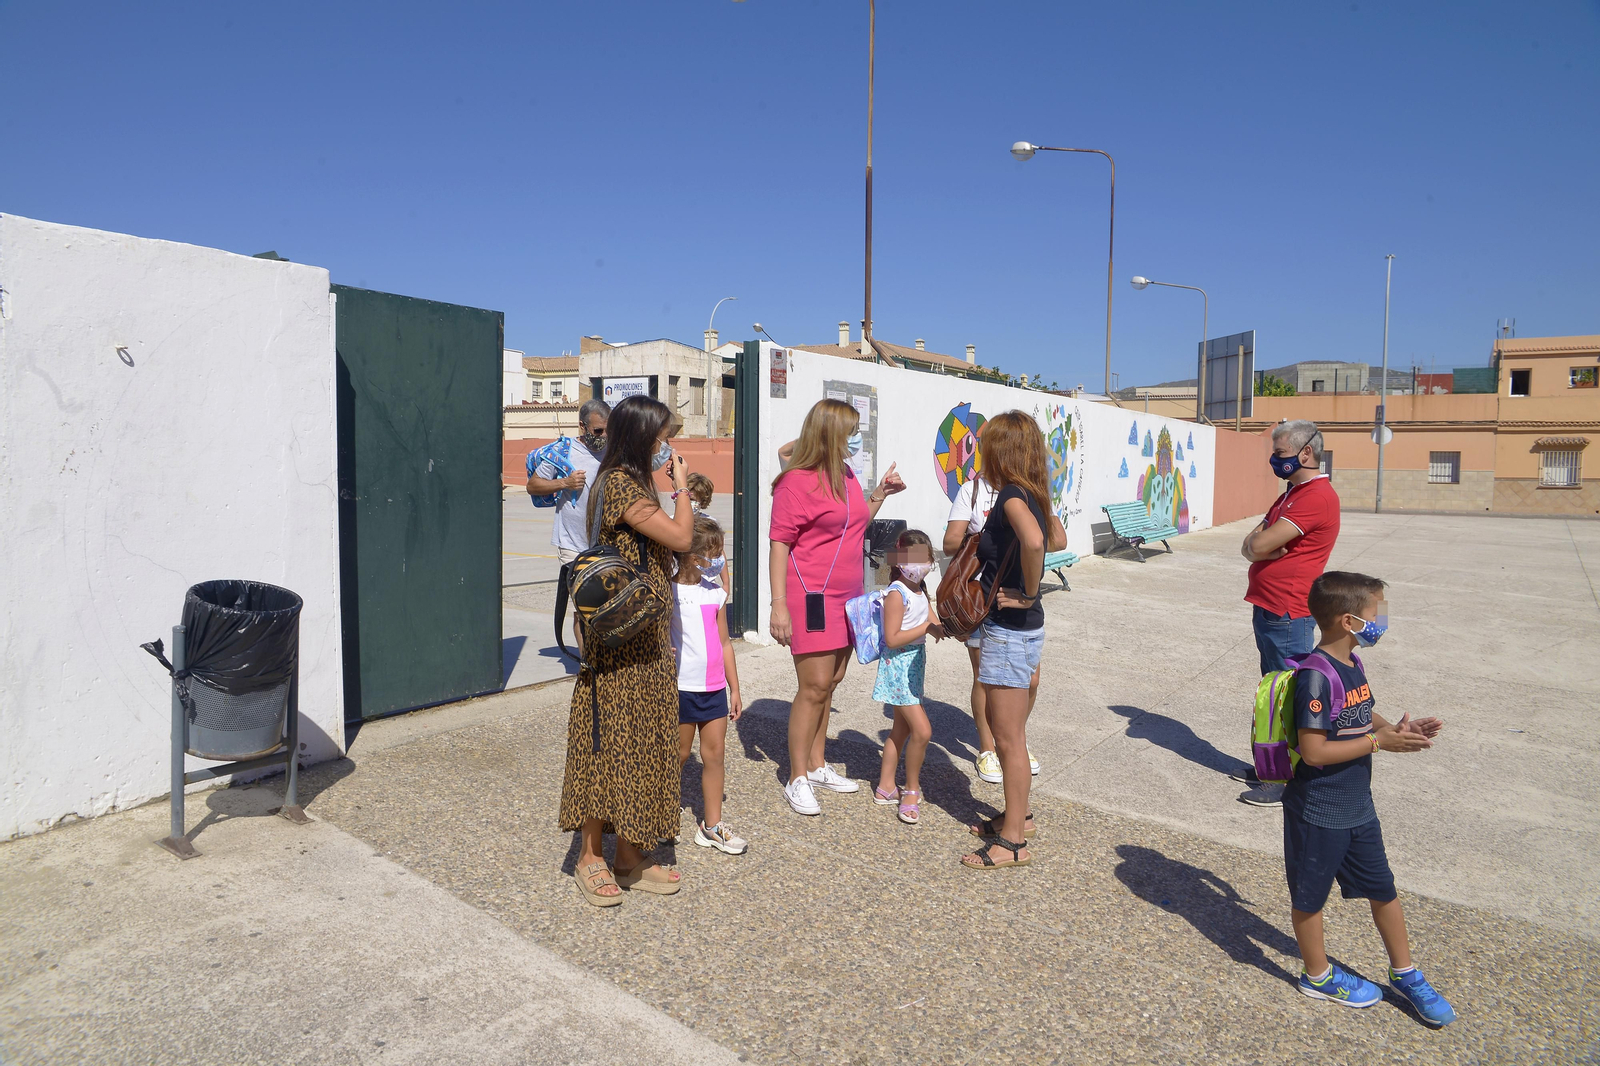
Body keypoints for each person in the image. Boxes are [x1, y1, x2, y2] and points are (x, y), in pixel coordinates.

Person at [1283, 572, 1455, 1028]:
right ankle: (1317, 975)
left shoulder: (1352, 663)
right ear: (1349, 620)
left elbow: (1360, 709)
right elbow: (1315, 751)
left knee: (1383, 889)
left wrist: (1392, 729)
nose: (1380, 622)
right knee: (1309, 898)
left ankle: (1407, 974)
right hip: (1318, 809)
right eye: (1375, 613)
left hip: (1357, 806)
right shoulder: (1315, 678)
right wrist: (1379, 746)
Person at [558, 395, 693, 906]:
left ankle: (630, 855)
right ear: (642, 438)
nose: (669, 448)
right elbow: (681, 536)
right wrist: (680, 485)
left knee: (645, 742)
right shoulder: (618, 483)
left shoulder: (633, 484)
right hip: (618, 642)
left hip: (646, 638)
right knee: (608, 741)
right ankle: (590, 856)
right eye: (663, 438)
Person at [769, 398, 906, 816]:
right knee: (812, 687)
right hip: (810, 597)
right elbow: (779, 546)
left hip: (849, 598)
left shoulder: (844, 474)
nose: (855, 437)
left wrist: (879, 493)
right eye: (849, 430)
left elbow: (855, 523)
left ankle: (816, 764)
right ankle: (796, 777)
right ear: (830, 434)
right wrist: (778, 606)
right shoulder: (795, 482)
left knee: (832, 681)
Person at [942, 428, 1067, 786]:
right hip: (983, 598)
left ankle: (1011, 740)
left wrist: (1034, 514)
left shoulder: (1028, 494)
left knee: (1029, 679)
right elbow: (951, 543)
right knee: (986, 678)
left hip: (1021, 605)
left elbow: (1054, 540)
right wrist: (989, 533)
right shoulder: (973, 490)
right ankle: (987, 746)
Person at [960, 411, 1048, 871]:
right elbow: (1049, 536)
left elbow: (1034, 543)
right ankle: (1019, 817)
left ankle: (1012, 843)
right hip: (1024, 629)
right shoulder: (1033, 493)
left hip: (1009, 630)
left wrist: (1028, 591)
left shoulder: (1013, 495)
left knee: (1008, 738)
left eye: (987, 444)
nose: (981, 452)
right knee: (1014, 734)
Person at [1238, 419, 1340, 808]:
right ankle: (1271, 765)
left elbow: (1260, 540)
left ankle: (1285, 779)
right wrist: (1258, 546)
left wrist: (1259, 544)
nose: (1274, 460)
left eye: (1280, 453)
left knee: (1286, 694)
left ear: (1306, 453)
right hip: (1270, 606)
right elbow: (1254, 544)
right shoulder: (1291, 495)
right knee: (1273, 691)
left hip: (1288, 611)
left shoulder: (1315, 497)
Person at [672, 514, 747, 856]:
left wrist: (735, 688)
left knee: (714, 755)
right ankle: (661, 812)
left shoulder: (716, 594)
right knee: (679, 754)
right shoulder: (668, 591)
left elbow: (725, 643)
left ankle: (712, 825)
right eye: (714, 553)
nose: (719, 561)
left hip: (714, 689)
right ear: (691, 555)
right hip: (681, 689)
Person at [527, 398, 611, 655]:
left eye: (609, 430)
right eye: (598, 431)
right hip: (573, 544)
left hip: (608, 543)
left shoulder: (613, 449)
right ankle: (588, 664)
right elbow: (533, 485)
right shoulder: (562, 453)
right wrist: (564, 483)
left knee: (609, 605)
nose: (604, 436)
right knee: (584, 608)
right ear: (582, 427)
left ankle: (607, 660)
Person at [871, 530, 945, 826]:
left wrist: (950, 627)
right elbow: (892, 638)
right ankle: (911, 790)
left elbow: (934, 621)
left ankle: (885, 786)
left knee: (900, 730)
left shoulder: (920, 591)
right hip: (897, 669)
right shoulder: (896, 594)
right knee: (923, 731)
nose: (921, 564)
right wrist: (926, 629)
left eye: (925, 558)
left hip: (913, 667)